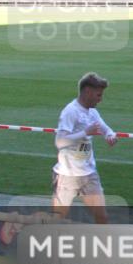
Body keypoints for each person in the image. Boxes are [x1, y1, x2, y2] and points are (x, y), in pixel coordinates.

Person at [53, 72, 118, 224]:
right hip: (67, 175)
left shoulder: (92, 112)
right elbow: (60, 142)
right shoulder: (70, 111)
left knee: (102, 217)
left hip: (89, 174)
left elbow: (105, 128)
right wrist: (85, 133)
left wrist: (110, 135)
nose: (100, 99)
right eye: (98, 95)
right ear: (87, 92)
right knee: (58, 218)